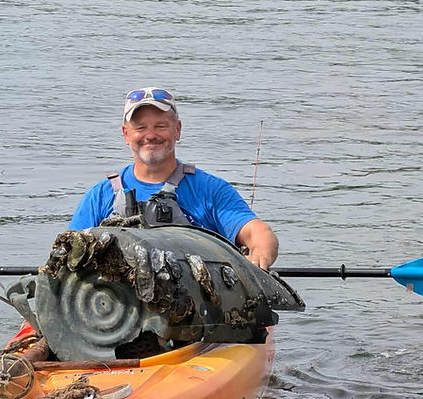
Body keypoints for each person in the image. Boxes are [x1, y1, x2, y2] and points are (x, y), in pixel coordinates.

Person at [69, 87, 279, 269]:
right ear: (126, 134)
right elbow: (69, 255)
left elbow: (257, 233)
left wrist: (260, 255)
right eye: (140, 128)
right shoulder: (100, 196)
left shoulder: (210, 190)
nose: (150, 135)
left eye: (160, 126)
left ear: (177, 130)